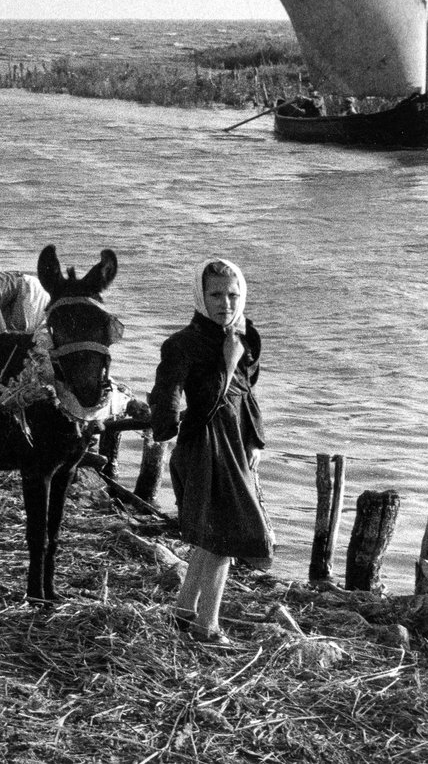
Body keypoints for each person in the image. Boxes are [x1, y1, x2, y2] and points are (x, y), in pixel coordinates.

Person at [147, 258, 273, 644]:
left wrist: (255, 441)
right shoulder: (182, 344)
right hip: (204, 444)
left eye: (233, 294)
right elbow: (165, 394)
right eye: (215, 294)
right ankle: (207, 626)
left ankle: (184, 610)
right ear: (200, 297)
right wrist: (167, 431)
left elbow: (245, 393)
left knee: (214, 535)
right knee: (227, 535)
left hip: (235, 444)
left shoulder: (246, 335)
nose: (226, 303)